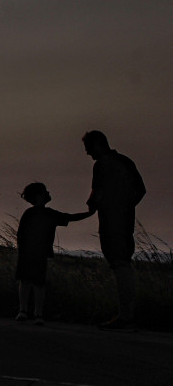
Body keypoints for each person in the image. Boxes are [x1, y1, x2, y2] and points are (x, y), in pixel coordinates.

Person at [83, 130, 146, 331]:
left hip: (112, 221)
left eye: (88, 148)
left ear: (97, 145)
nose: (87, 153)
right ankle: (127, 314)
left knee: (119, 264)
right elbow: (140, 190)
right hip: (125, 219)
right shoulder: (126, 162)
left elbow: (96, 194)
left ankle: (126, 317)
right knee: (123, 263)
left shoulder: (101, 165)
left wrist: (97, 205)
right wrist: (127, 205)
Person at [15, 182, 93, 324]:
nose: (49, 194)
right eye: (46, 192)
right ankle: (35, 313)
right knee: (37, 283)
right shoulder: (48, 214)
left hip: (28, 252)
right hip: (38, 253)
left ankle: (24, 311)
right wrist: (90, 213)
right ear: (40, 195)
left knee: (27, 281)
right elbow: (70, 217)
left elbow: (20, 235)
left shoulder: (31, 213)